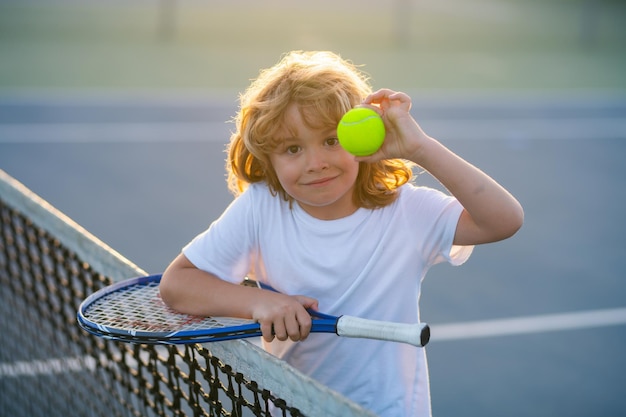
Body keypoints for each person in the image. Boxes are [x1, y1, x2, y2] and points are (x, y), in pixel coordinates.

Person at [160, 50, 523, 416]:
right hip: (293, 406)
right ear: (268, 158)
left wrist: (420, 148)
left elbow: (504, 220)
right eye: (292, 149)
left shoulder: (406, 211)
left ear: (362, 138)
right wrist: (260, 303)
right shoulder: (261, 207)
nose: (315, 163)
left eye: (331, 141)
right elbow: (178, 284)